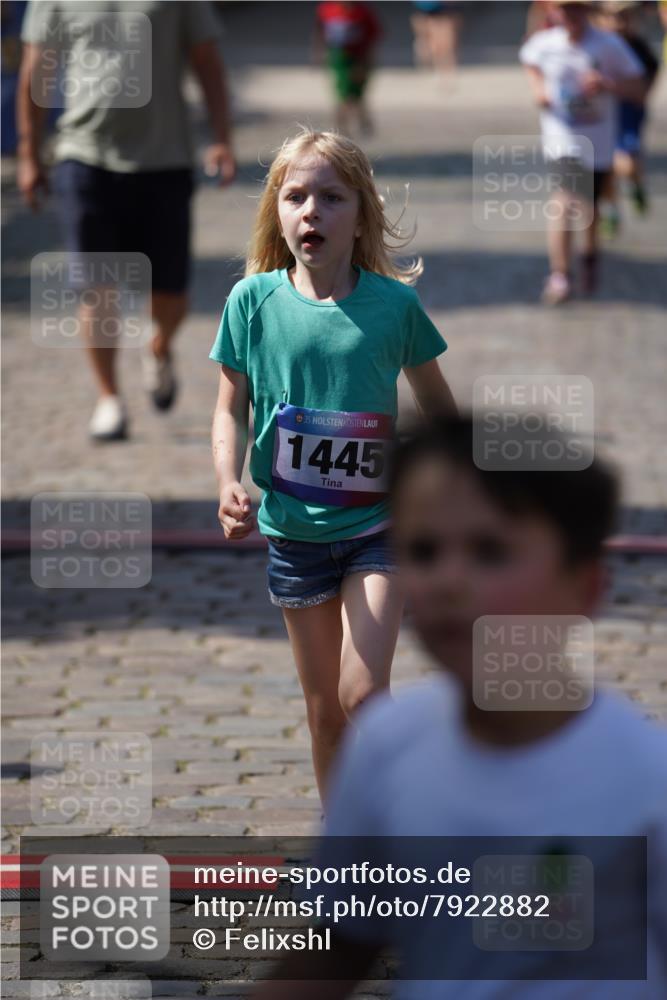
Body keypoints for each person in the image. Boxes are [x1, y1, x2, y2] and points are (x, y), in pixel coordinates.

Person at [253, 414, 667, 998]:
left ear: (586, 585)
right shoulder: (387, 748)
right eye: (422, 551)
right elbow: (332, 954)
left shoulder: (647, 780)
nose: (448, 579)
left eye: (490, 551)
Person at [209, 128, 456, 804]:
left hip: (379, 527)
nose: (311, 211)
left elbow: (441, 413)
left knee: (363, 693)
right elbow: (228, 409)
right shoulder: (250, 305)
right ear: (276, 213)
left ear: (360, 215)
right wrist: (229, 482)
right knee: (325, 714)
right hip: (294, 535)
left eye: (330, 197)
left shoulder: (393, 307)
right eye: (295, 197)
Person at [17, 0, 236, 441]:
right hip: (84, 157)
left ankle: (158, 346)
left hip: (165, 158)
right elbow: (35, 70)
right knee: (96, 285)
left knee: (172, 294)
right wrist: (28, 154)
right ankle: (109, 397)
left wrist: (222, 138)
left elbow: (206, 60)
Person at [519, 0, 646, 305]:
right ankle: (560, 273)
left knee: (590, 206)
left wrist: (608, 84)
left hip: (599, 139)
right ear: (554, 13)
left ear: (587, 11)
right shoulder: (544, 43)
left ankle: (589, 255)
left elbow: (639, 89)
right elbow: (530, 62)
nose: (571, 15)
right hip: (561, 138)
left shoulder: (609, 45)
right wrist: (539, 90)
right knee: (564, 200)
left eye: (577, 8)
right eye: (565, 9)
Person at [597, 0, 659, 236]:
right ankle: (610, 209)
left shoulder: (639, 48)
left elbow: (645, 88)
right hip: (601, 115)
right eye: (612, 17)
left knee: (626, 163)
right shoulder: (597, 45)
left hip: (628, 113)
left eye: (624, 17)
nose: (618, 23)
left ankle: (634, 183)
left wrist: (616, 88)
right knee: (604, 169)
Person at [314, 1, 381, 136]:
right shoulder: (327, 9)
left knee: (357, 93)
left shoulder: (362, 12)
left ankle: (361, 121)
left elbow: (372, 38)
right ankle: (342, 126)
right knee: (343, 94)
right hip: (339, 58)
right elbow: (320, 32)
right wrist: (318, 52)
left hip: (359, 58)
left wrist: (368, 62)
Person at [410, 1, 464, 78]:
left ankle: (444, 71)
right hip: (435, 9)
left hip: (434, 9)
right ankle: (445, 71)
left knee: (441, 43)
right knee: (441, 43)